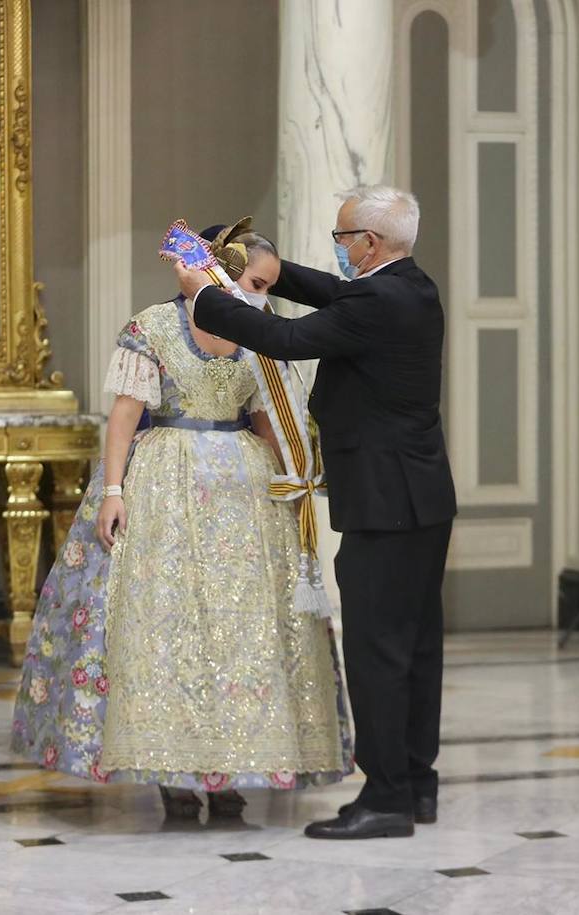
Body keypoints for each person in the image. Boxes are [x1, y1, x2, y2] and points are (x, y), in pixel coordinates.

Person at [12, 225, 352, 819]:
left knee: (243, 630)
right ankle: (171, 771)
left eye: (269, 289)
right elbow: (124, 418)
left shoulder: (260, 336)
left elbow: (265, 418)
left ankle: (233, 772)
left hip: (244, 489)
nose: (261, 298)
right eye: (254, 283)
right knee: (168, 627)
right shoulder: (154, 326)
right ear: (219, 269)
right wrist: (114, 490)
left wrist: (293, 480)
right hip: (166, 479)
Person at [174, 185, 457, 840]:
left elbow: (284, 336)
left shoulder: (378, 300)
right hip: (421, 496)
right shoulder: (411, 286)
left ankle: (385, 799)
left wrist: (203, 293)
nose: (337, 246)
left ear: (370, 243)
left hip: (383, 502)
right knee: (417, 648)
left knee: (377, 650)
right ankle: (416, 783)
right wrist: (258, 259)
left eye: (342, 236)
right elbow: (329, 293)